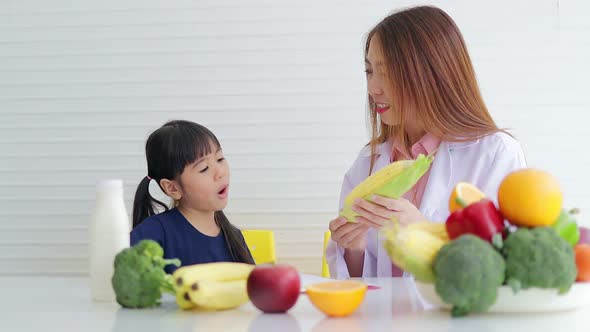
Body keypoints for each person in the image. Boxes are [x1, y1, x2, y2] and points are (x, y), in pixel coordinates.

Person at [325, 6, 526, 278]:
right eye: (369, 71)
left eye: (387, 72)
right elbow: (357, 286)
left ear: (433, 74)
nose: (373, 88)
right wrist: (354, 249)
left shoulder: (495, 155)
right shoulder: (367, 163)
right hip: (382, 321)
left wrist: (422, 231)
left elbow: (504, 266)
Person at [131, 120, 254, 273]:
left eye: (220, 159)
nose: (220, 172)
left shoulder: (234, 237)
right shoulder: (154, 233)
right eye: (204, 168)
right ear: (172, 188)